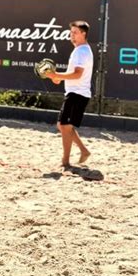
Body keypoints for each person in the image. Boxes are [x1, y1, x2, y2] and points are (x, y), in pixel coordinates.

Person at [45, 20, 93, 168]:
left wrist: (57, 75)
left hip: (77, 94)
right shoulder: (82, 50)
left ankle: (65, 161)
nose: (72, 36)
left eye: (75, 33)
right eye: (71, 32)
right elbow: (74, 73)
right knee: (64, 126)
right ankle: (84, 151)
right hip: (76, 93)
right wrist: (58, 77)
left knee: (64, 126)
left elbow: (78, 74)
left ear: (83, 34)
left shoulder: (81, 51)